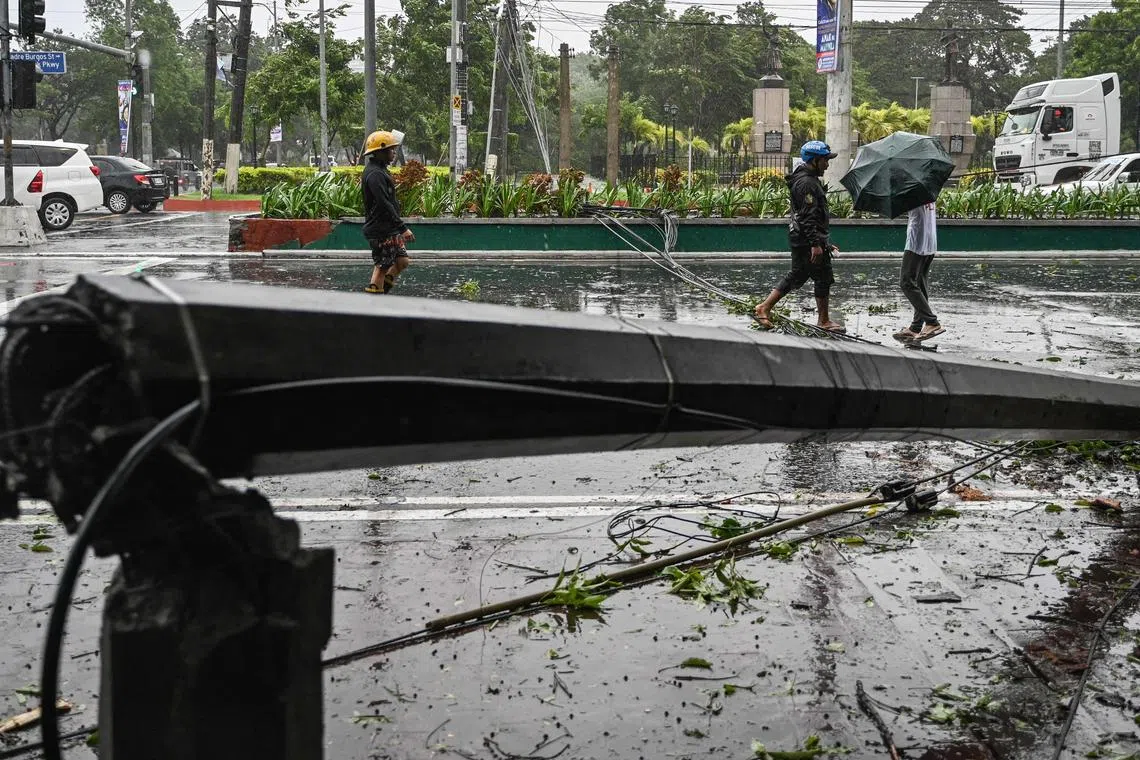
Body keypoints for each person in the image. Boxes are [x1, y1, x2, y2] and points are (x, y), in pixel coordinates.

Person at [753, 140, 845, 332]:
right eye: (825, 160)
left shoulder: (808, 179)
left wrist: (824, 244)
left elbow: (810, 217)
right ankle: (766, 307)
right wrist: (815, 244)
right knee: (811, 276)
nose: (827, 164)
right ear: (814, 160)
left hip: (807, 239)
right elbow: (808, 217)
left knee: (814, 276)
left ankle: (821, 319)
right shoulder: (806, 183)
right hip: (806, 241)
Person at [361, 129, 414, 294]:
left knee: (402, 261)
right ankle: (374, 303)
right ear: (380, 152)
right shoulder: (375, 174)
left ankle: (382, 288)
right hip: (381, 229)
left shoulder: (381, 169)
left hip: (388, 227)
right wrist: (402, 227)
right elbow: (384, 203)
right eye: (391, 150)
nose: (393, 153)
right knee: (382, 268)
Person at [893, 201, 944, 343]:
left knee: (906, 282)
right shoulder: (926, 188)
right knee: (920, 282)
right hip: (929, 239)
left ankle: (931, 322)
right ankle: (916, 327)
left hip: (917, 241)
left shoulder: (910, 188)